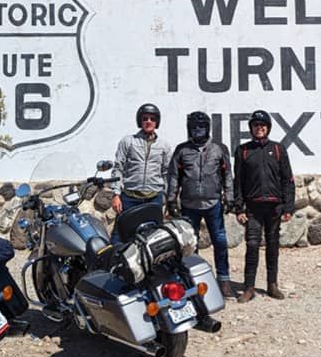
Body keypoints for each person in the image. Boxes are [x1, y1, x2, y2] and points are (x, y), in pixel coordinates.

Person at [167, 111, 236, 298]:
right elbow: (174, 176)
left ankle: (224, 281)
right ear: (189, 129)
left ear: (208, 128)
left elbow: (227, 175)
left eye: (201, 127)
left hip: (213, 203)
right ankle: (194, 281)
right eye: (194, 127)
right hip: (189, 205)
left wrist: (229, 197)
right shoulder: (182, 150)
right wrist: (171, 199)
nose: (198, 131)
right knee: (191, 245)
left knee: (220, 242)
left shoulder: (219, 148)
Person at [233, 109, 295, 303]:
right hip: (253, 207)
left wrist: (288, 207)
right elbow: (238, 182)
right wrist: (239, 208)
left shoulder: (278, 149)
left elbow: (288, 180)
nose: (259, 128)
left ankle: (272, 285)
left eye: (262, 125)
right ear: (251, 128)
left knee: (273, 246)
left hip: (274, 207)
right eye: (255, 125)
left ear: (267, 128)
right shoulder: (243, 150)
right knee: (252, 246)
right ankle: (249, 287)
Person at [110, 103, 172, 243]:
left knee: (154, 238)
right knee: (119, 235)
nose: (148, 121)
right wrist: (116, 194)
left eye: (152, 118)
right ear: (140, 121)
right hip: (130, 196)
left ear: (157, 122)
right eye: (145, 118)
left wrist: (168, 200)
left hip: (153, 198)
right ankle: (114, 263)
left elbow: (166, 173)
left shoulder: (164, 145)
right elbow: (118, 168)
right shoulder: (128, 142)